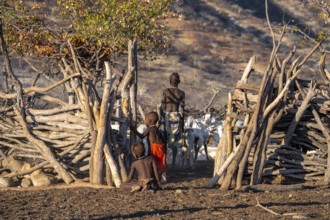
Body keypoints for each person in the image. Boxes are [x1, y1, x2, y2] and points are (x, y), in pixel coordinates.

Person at [131, 111, 166, 181]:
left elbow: (142, 136)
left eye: (145, 120)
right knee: (160, 162)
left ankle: (156, 177)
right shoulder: (157, 129)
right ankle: (161, 177)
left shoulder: (149, 129)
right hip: (161, 148)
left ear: (149, 121)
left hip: (154, 148)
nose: (145, 122)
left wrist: (134, 130)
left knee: (153, 162)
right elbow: (163, 138)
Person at [160, 72, 185, 166]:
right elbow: (182, 109)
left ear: (170, 81)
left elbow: (162, 106)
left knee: (163, 139)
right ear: (179, 81)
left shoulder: (166, 91)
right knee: (174, 141)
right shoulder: (181, 93)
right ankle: (173, 162)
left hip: (166, 116)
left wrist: (160, 118)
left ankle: (164, 160)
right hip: (176, 118)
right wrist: (182, 123)